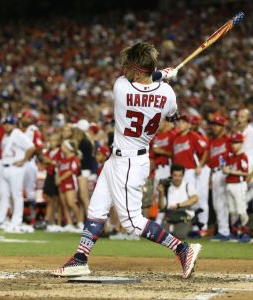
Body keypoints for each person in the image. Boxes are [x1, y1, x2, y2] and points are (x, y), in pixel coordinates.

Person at [52, 42, 201, 279]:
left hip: (129, 163)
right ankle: (80, 259)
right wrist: (164, 79)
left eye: (129, 66)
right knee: (97, 208)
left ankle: (183, 249)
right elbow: (172, 115)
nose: (124, 70)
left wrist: (162, 74)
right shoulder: (167, 93)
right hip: (121, 159)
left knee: (132, 222)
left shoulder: (120, 87)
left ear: (138, 70)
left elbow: (146, 78)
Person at [0, 115, 36, 227]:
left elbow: (32, 148)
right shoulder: (6, 136)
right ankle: (0, 218)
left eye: (9, 124)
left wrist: (23, 160)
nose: (6, 126)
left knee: (17, 194)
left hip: (16, 168)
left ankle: (17, 220)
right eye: (5, 124)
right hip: (5, 167)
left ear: (14, 125)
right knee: (4, 195)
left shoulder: (17, 134)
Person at [157, 164, 199, 239]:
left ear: (183, 176)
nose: (178, 178)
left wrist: (179, 205)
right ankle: (171, 229)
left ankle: (178, 231)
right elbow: (161, 207)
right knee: (162, 237)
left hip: (184, 218)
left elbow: (195, 199)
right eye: (175, 175)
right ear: (171, 175)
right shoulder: (167, 187)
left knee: (180, 235)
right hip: (170, 217)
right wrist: (161, 193)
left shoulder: (187, 185)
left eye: (180, 176)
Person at [207, 115, 232, 241]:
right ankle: (223, 230)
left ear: (223, 127)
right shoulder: (211, 141)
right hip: (215, 173)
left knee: (223, 203)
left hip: (225, 172)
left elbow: (232, 156)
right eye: (214, 125)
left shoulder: (228, 139)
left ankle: (225, 231)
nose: (215, 127)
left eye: (218, 125)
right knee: (217, 204)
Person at [223, 132, 249, 241]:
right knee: (232, 211)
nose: (234, 145)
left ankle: (244, 232)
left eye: (236, 142)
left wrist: (231, 171)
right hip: (229, 185)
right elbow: (225, 169)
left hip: (239, 185)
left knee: (241, 210)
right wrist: (227, 170)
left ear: (241, 143)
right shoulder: (231, 156)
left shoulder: (243, 156)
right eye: (233, 142)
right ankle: (235, 231)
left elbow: (245, 173)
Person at [20, 110, 44, 225]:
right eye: (25, 117)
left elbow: (39, 147)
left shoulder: (33, 130)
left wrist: (39, 159)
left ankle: (33, 218)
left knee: (30, 191)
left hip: (29, 163)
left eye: (29, 118)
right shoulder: (16, 130)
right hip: (16, 164)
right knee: (16, 191)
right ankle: (16, 218)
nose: (27, 119)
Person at [55, 139, 82, 232]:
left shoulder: (74, 158)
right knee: (64, 204)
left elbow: (72, 170)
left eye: (64, 146)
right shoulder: (63, 159)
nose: (62, 148)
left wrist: (60, 178)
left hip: (69, 182)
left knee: (71, 203)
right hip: (61, 183)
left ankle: (80, 223)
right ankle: (69, 223)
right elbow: (59, 169)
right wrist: (58, 178)